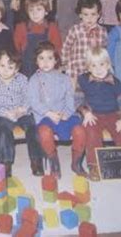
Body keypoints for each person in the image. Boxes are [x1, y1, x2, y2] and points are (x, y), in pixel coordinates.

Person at [28, 42, 86, 179]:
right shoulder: (34, 80)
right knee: (44, 132)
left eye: (49, 58)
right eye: (41, 58)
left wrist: (66, 112)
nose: (46, 62)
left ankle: (76, 163)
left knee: (80, 131)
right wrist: (49, 113)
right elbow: (34, 101)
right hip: (45, 116)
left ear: (55, 60)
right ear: (36, 61)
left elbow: (70, 98)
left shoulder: (64, 79)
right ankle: (54, 162)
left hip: (65, 114)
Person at [75, 47, 121, 181]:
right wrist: (86, 112)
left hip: (113, 114)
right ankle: (94, 165)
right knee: (91, 133)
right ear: (88, 67)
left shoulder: (116, 82)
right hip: (93, 114)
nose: (98, 69)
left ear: (108, 64)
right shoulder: (82, 80)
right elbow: (77, 99)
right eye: (93, 65)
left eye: (102, 64)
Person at [0, 50, 44, 176]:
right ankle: (6, 163)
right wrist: (6, 113)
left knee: (34, 128)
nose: (5, 70)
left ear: (17, 69)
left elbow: (29, 97)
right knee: (3, 132)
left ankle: (36, 160)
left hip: (21, 112)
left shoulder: (22, 79)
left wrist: (22, 109)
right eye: (2, 66)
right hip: (2, 114)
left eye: (10, 67)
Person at [61, 0, 108, 84]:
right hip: (76, 64)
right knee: (71, 82)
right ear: (80, 15)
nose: (89, 18)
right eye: (86, 15)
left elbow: (104, 49)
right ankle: (70, 96)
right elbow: (66, 47)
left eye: (93, 14)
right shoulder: (75, 29)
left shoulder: (102, 31)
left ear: (99, 14)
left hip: (93, 66)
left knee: (94, 85)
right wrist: (64, 62)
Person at [13, 0, 62, 77]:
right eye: (31, 10)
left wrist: (57, 67)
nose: (35, 13)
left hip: (47, 69)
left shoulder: (52, 27)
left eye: (39, 9)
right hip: (26, 70)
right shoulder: (21, 27)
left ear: (46, 11)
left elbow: (57, 49)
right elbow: (15, 50)